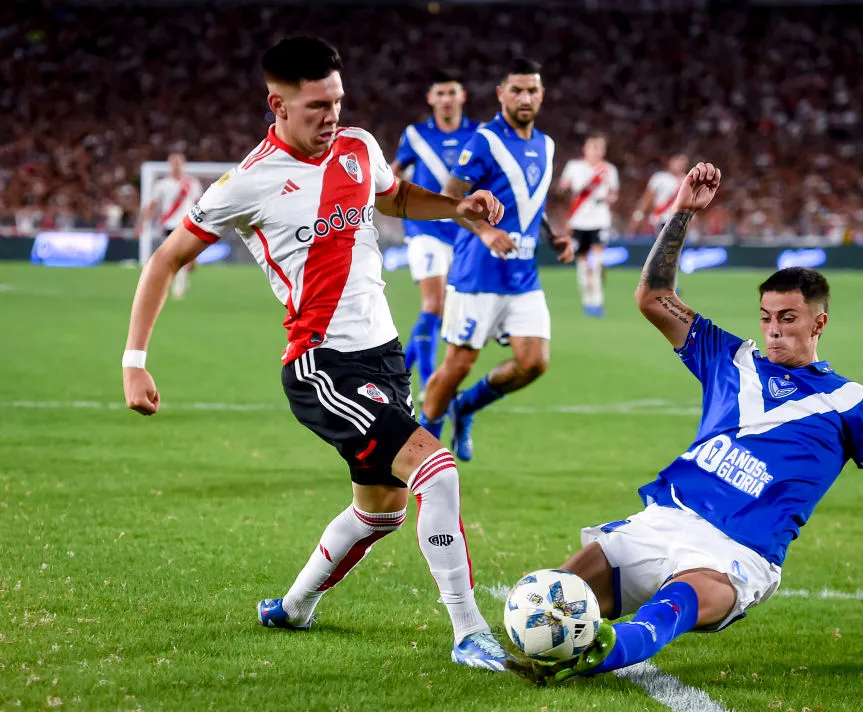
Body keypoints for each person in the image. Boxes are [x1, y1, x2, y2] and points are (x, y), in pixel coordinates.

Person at [121, 37, 509, 672]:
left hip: (384, 357)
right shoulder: (247, 183)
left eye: (337, 101)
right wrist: (134, 362)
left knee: (377, 512)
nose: (331, 116)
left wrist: (459, 212)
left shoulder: (358, 147)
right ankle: (469, 633)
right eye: (315, 106)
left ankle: (295, 606)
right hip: (321, 365)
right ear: (276, 103)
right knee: (436, 471)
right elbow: (165, 259)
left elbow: (392, 196)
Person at [509, 161, 863, 685]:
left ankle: (608, 652)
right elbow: (653, 298)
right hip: (667, 519)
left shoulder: (851, 402)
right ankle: (556, 649)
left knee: (683, 597)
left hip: (739, 552)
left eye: (788, 319)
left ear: (818, 322)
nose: (773, 331)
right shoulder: (731, 359)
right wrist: (681, 211)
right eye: (767, 318)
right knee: (562, 590)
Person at [418, 57, 573, 462]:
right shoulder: (484, 141)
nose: (525, 97)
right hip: (477, 275)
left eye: (532, 90)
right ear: (501, 94)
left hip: (523, 276)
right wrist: (485, 230)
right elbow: (451, 201)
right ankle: (421, 452)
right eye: (517, 90)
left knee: (534, 363)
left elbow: (530, 202)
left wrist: (554, 236)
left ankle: (465, 408)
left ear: (542, 94)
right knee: (457, 366)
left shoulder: (547, 144)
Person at [392, 72, 481, 395]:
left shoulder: (479, 134)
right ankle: (429, 384)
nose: (446, 98)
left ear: (462, 96)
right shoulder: (415, 135)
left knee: (447, 311)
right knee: (434, 302)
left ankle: (398, 374)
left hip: (462, 232)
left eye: (451, 92)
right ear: (430, 98)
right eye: (440, 93)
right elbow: (392, 174)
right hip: (424, 228)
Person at [557, 133, 619, 317]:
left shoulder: (609, 170)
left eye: (600, 148)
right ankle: (587, 300)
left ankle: (598, 301)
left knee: (597, 261)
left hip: (600, 220)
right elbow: (562, 189)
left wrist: (609, 198)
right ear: (585, 148)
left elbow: (614, 194)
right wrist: (564, 189)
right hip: (579, 221)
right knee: (583, 262)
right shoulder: (574, 167)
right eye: (594, 147)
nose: (597, 151)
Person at [136, 153, 202, 299]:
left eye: (179, 162)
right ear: (169, 164)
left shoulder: (192, 183)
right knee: (173, 258)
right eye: (174, 162)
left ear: (183, 164)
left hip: (188, 224)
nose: (177, 165)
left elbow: (200, 204)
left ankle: (180, 285)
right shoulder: (162, 185)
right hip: (169, 225)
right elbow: (152, 205)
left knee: (184, 259)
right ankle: (181, 282)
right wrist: (141, 223)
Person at [627, 153, 688, 237]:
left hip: (678, 221)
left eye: (683, 163)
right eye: (677, 161)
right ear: (671, 161)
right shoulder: (659, 178)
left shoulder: (687, 181)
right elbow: (646, 199)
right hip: (659, 219)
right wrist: (637, 217)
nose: (680, 165)